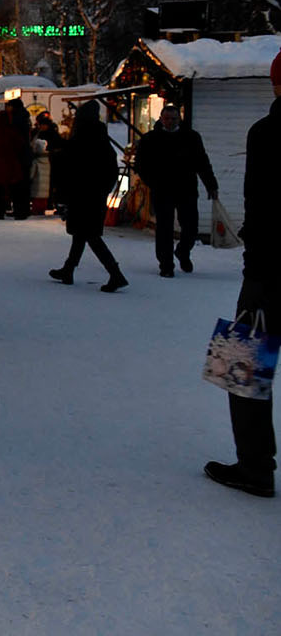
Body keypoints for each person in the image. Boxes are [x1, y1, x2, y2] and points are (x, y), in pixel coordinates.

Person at [205, 51, 281, 498]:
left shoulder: (267, 134)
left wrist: (253, 265)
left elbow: (261, 203)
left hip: (270, 272)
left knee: (242, 361)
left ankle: (255, 467)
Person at [48, 100, 128, 292]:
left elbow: (71, 164)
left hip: (83, 194)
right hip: (94, 195)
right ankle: (68, 269)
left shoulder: (83, 137)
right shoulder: (100, 137)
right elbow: (109, 170)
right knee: (81, 234)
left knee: (89, 235)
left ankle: (115, 274)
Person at [133, 103, 218, 277]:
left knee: (191, 228)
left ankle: (183, 252)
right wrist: (152, 182)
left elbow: (202, 162)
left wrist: (211, 185)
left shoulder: (191, 137)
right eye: (167, 118)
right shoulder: (150, 139)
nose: (170, 122)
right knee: (164, 228)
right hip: (162, 190)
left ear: (179, 119)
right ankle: (166, 264)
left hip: (186, 189)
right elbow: (141, 165)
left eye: (173, 119)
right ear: (161, 119)